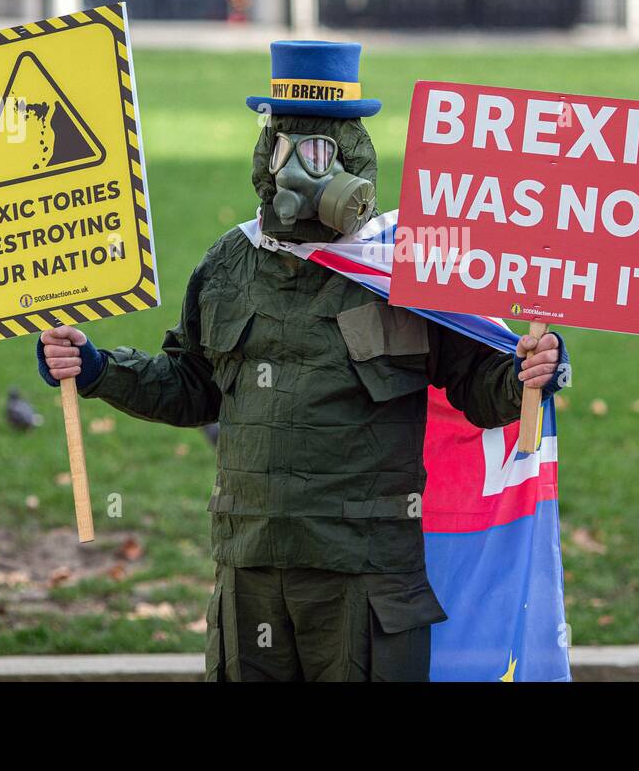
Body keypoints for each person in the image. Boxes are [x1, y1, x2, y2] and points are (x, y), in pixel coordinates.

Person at [36, 41, 568, 681]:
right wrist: (95, 369)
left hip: (363, 575)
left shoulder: (402, 265)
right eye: (283, 147)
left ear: (352, 159)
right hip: (251, 566)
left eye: (316, 152)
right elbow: (191, 386)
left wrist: (525, 375)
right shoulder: (231, 264)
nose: (297, 170)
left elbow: (475, 384)